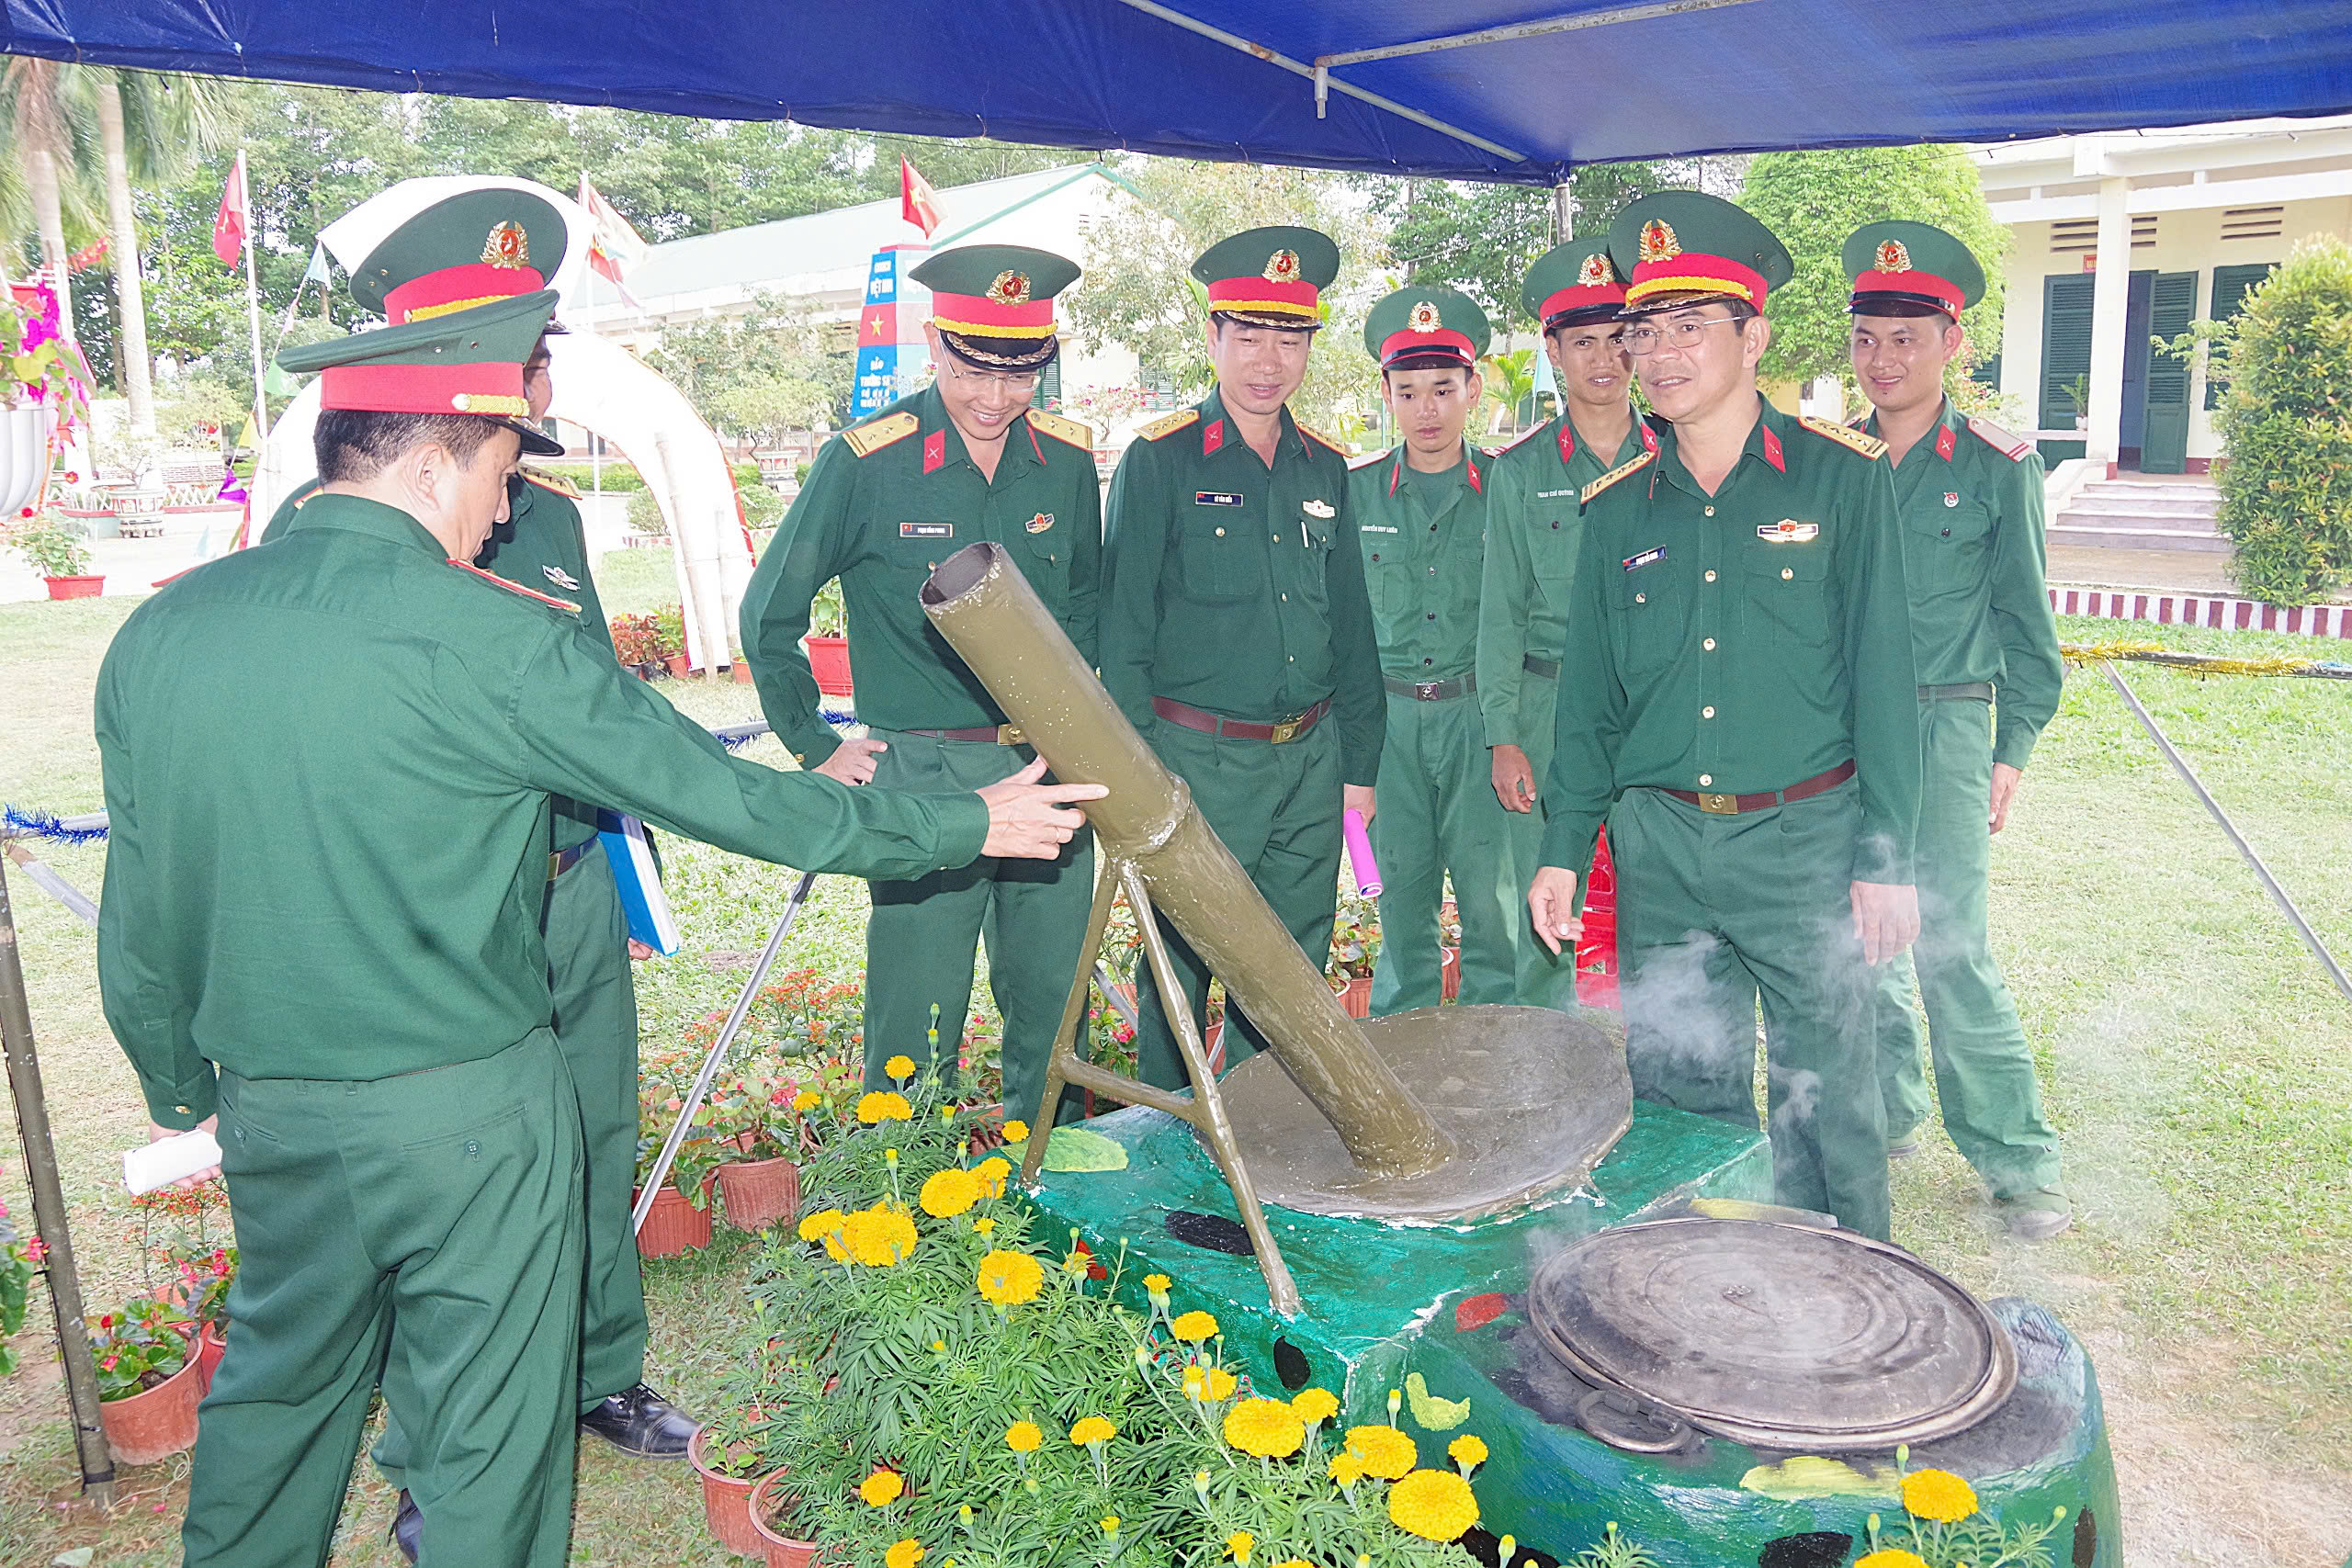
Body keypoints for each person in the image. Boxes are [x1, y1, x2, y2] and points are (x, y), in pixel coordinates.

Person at [96, 288, 1101, 1568]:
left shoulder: (165, 629)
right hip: (468, 1106)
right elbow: (729, 798)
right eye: (499, 467)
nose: (503, 508)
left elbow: (140, 913)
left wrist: (182, 1088)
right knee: (487, 1428)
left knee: (275, 1394)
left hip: (273, 1104)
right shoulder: (495, 639)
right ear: (429, 461)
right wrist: (964, 823)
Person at [258, 190, 699, 1546]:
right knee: (437, 1178)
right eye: (512, 348)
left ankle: (601, 1367)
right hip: (431, 913)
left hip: (565, 879)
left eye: (535, 343)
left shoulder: (547, 517)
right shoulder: (322, 527)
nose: (535, 369)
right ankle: (438, 1443)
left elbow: (594, 702)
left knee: (592, 1130)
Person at [1524, 192, 1922, 1242]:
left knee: (1827, 1098)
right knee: (1677, 1095)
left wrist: (1887, 858)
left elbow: (1885, 683)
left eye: (1689, 327)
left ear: (1754, 338)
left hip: (1803, 840)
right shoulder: (1617, 508)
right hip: (1660, 846)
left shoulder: (1841, 481)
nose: (1658, 354)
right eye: (1643, 331)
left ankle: (1845, 1293)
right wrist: (1563, 847)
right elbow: (1588, 703)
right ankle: (1693, 1296)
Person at [740, 244, 1102, 1128]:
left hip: (1045, 769)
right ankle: (898, 1197)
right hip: (923, 781)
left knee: (1056, 1010)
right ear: (935, 343)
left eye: (1019, 374)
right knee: (916, 1021)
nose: (995, 397)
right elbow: (767, 612)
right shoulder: (867, 461)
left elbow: (1087, 616)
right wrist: (815, 744)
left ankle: (1055, 1188)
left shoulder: (1065, 462)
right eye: (973, 368)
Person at [1099, 225, 1381, 1087]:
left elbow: (1353, 628)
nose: (1269, 361)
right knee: (1181, 963)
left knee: (1291, 968)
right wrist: (1139, 775)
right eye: (1249, 336)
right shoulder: (1161, 458)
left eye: (1289, 339)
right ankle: (1170, 1132)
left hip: (1310, 759)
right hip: (1198, 759)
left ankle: (1272, 1133)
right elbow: (1123, 633)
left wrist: (1359, 769)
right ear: (1213, 336)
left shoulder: (1324, 466)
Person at [1844, 220, 2070, 1239]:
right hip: (1846, 734)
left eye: (1906, 337)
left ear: (1952, 342)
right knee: (1858, 936)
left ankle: (2018, 1160)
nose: (1884, 358)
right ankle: (1885, 1115)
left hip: (1945, 726)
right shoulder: (1832, 462)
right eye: (1866, 338)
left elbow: (2029, 628)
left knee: (1949, 945)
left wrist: (2009, 749)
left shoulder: (1994, 465)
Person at [1478, 239, 1652, 1007]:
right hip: (1546, 711)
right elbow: (1500, 614)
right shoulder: (1520, 471)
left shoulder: (1673, 455)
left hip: (1651, 708)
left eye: (1620, 338)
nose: (1605, 359)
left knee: (1656, 898)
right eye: (1584, 342)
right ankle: (1544, 1059)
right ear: (1553, 351)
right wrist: (1503, 735)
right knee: (1547, 900)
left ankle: (1652, 1052)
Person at [1345, 286, 1517, 1012]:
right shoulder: (1355, 493)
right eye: (1409, 391)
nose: (1427, 409)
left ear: (1472, 389)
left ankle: (1495, 1051)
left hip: (1478, 722)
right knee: (1401, 912)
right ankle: (1403, 1058)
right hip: (1389, 728)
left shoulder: (1506, 487)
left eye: (1444, 388)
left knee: (1492, 910)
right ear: (1386, 394)